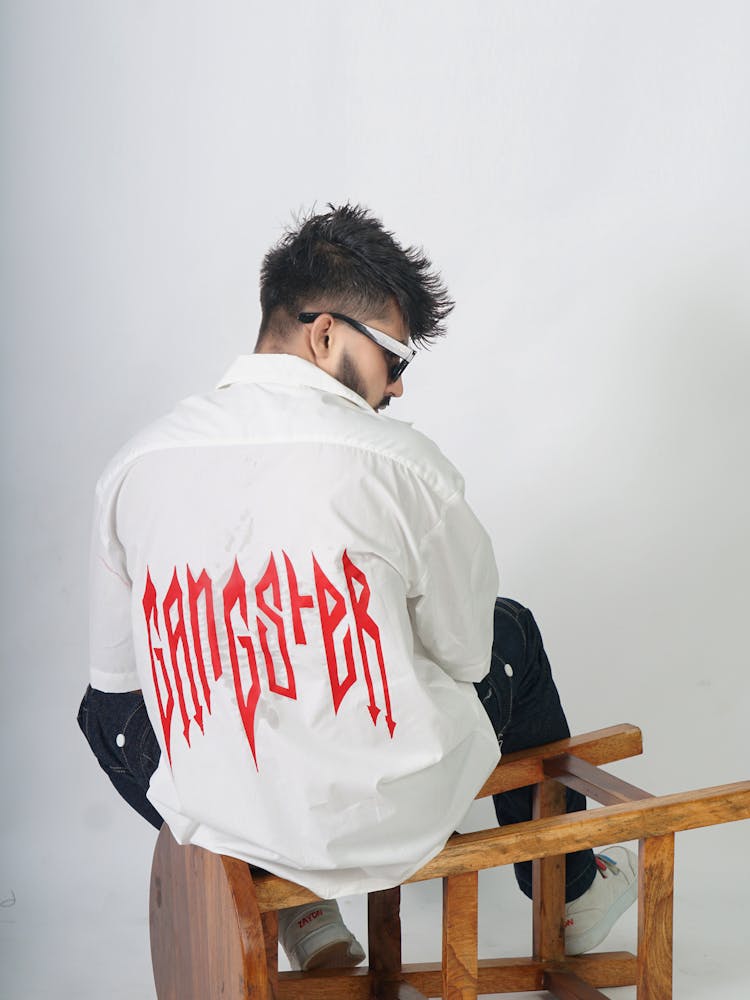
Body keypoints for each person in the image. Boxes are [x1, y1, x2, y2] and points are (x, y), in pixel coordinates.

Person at [78, 204, 637, 971]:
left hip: (222, 807)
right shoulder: (404, 468)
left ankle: (291, 893)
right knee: (514, 632)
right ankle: (570, 897)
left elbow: (115, 694)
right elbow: (469, 657)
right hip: (382, 812)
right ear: (325, 332)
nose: (399, 388)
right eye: (395, 360)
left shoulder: (135, 467)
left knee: (105, 711)